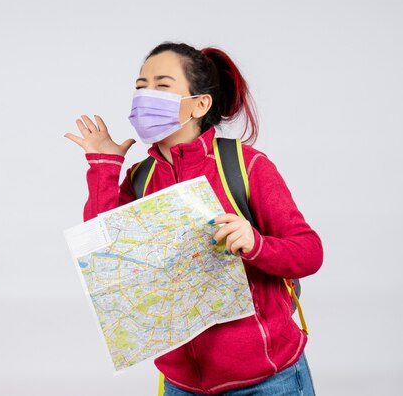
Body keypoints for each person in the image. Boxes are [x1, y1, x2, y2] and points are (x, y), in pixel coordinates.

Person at [64, 41, 323, 395]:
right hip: (181, 385)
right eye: (141, 87)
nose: (145, 97)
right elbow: (104, 258)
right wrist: (105, 166)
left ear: (201, 104)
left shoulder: (245, 166)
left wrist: (255, 243)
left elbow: (309, 252)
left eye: (162, 85)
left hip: (268, 381)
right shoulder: (141, 177)